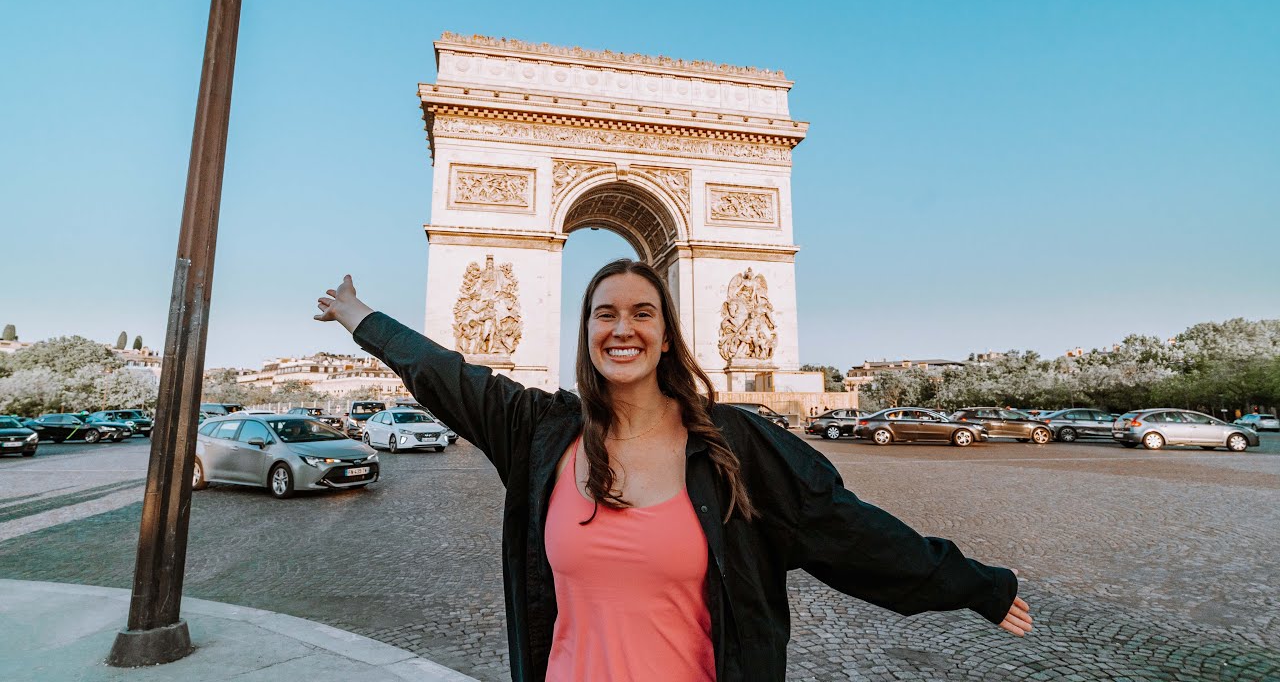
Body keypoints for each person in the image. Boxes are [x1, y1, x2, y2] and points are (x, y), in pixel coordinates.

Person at [314, 260, 1032, 682]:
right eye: (604, 314)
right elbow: (447, 375)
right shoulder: (540, 433)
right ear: (586, 330)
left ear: (665, 333)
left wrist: (974, 585)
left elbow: (842, 525)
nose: (621, 328)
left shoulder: (737, 445)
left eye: (641, 312)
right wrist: (360, 316)